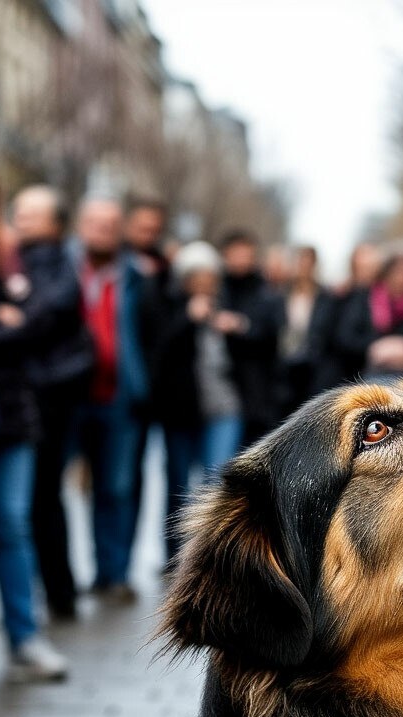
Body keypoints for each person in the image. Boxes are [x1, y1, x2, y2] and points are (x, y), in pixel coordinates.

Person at [0, 155, 69, 679]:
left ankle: (23, 636)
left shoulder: (12, 253)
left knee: (11, 521)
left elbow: (41, 318)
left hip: (11, 408)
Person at [9, 186, 94, 622]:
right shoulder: (13, 258)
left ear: (54, 224)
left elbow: (39, 316)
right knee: (39, 500)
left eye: (29, 214)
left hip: (49, 397)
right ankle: (57, 591)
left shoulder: (55, 264)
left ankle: (59, 591)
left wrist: (12, 315)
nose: (19, 219)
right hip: (34, 394)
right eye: (18, 212)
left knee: (40, 498)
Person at [73, 196, 152, 603]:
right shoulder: (64, 267)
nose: (102, 231)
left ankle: (113, 573)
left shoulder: (136, 275)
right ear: (80, 225)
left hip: (121, 396)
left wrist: (144, 382)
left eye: (110, 224)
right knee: (55, 489)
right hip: (68, 396)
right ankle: (63, 578)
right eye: (94, 223)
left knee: (116, 488)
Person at [152, 242, 246, 565]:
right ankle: (175, 555)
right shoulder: (170, 305)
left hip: (224, 407)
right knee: (178, 483)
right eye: (197, 276)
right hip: (182, 411)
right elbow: (159, 351)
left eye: (210, 276)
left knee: (217, 481)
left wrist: (237, 328)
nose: (204, 282)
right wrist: (187, 320)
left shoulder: (228, 304)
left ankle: (209, 555)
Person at [218, 229, 284, 444]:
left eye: (245, 253)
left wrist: (241, 326)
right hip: (218, 387)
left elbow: (272, 333)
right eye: (235, 253)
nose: (240, 259)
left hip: (257, 390)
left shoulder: (267, 293)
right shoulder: (216, 288)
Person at [331, 244, 403, 385]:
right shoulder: (365, 297)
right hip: (361, 378)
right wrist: (375, 348)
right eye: (397, 271)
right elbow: (345, 338)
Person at [273, 245, 336, 416]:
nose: (304, 266)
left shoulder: (326, 297)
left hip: (312, 370)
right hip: (283, 369)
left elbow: (328, 334)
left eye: (308, 262)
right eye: (301, 261)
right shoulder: (280, 294)